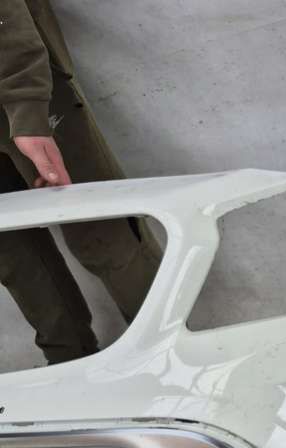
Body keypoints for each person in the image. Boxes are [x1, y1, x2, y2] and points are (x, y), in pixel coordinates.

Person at [0, 0, 162, 364]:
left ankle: (163, 353)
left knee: (100, 232)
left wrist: (26, 105)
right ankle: (71, 367)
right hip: (21, 92)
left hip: (20, 90)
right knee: (15, 257)